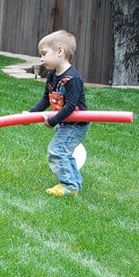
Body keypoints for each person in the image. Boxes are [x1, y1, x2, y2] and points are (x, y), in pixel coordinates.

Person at [27, 30, 90, 197]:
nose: (41, 59)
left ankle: (68, 186)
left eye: (44, 54)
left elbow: (70, 106)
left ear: (60, 51)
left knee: (57, 150)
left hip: (76, 125)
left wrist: (53, 121)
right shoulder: (52, 75)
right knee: (63, 152)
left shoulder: (73, 79)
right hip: (65, 122)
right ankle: (74, 184)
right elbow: (46, 99)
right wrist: (30, 114)